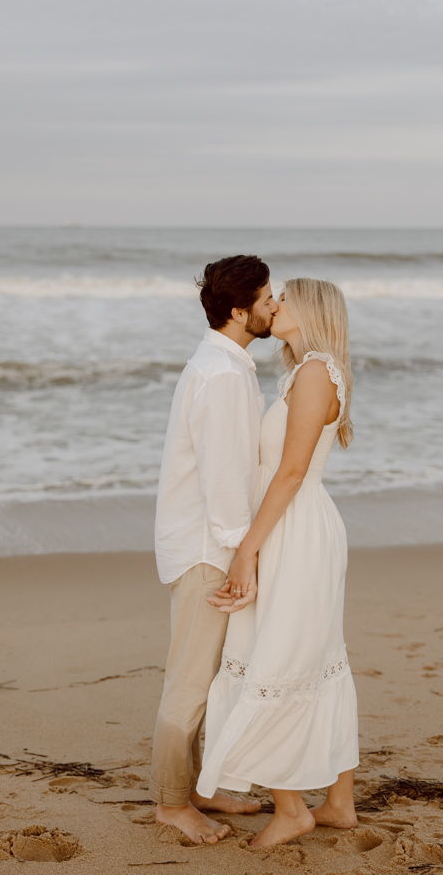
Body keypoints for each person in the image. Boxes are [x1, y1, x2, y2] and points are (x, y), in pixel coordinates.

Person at [198, 277, 359, 847]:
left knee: (276, 655)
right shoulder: (305, 370)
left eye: (285, 297)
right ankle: (339, 801)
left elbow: (289, 473)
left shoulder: (315, 372)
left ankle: (292, 810)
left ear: (311, 311)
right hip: (295, 523)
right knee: (317, 658)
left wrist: (247, 551)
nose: (275, 305)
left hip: (293, 527)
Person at [148, 254, 279, 845]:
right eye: (267, 298)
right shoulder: (224, 374)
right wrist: (239, 556)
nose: (274, 306)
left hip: (200, 541)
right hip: (208, 549)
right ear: (238, 310)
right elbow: (224, 482)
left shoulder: (223, 362)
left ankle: (200, 788)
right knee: (191, 682)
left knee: (205, 675)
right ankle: (173, 803)